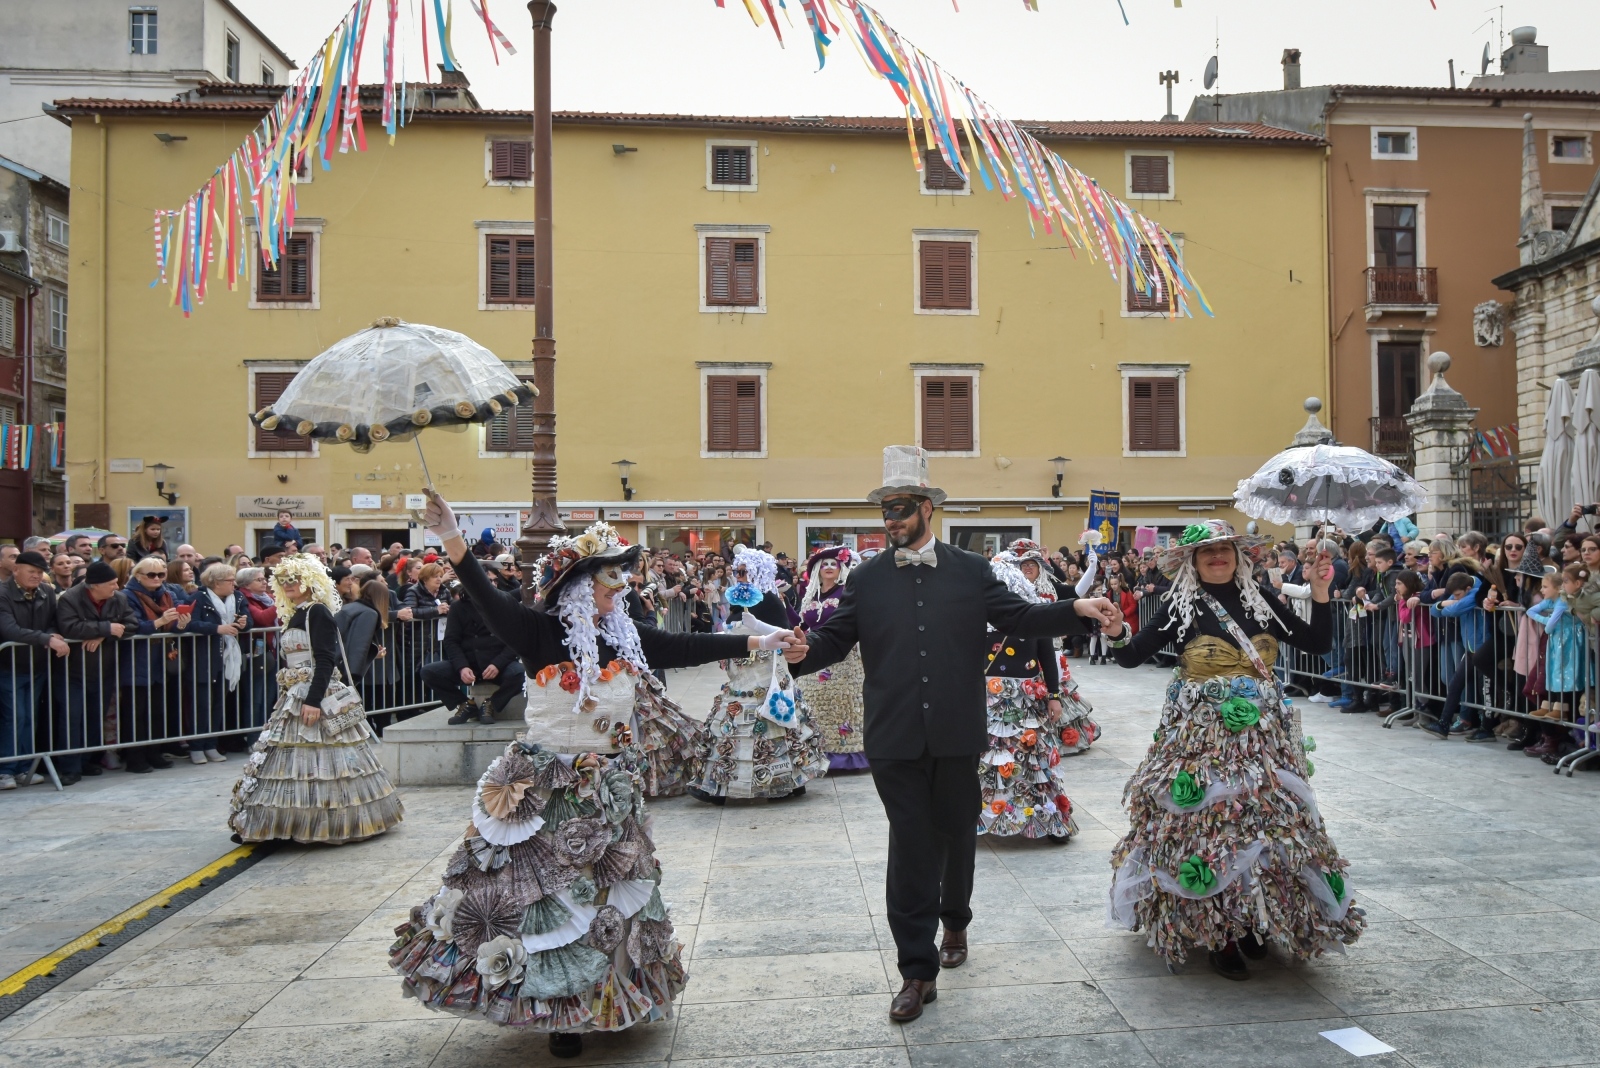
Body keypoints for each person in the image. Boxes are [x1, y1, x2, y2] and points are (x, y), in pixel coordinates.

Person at [392, 493, 797, 1060]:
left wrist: (760, 640)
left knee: (605, 897)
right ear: (581, 588)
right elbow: (483, 598)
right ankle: (561, 1015)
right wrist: (453, 537)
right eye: (611, 585)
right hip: (546, 786)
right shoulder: (535, 631)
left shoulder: (625, 637)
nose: (621, 592)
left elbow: (684, 645)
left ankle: (602, 994)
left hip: (606, 785)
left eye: (622, 584)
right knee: (548, 899)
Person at [780, 447, 1114, 1023]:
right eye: (885, 510)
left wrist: (1075, 607)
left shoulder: (968, 570)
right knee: (909, 843)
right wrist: (802, 653)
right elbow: (836, 640)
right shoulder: (865, 579)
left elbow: (1019, 618)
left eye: (902, 509)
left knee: (958, 831)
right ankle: (916, 969)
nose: (892, 520)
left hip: (958, 732)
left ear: (928, 507)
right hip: (893, 737)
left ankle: (955, 918)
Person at [1103, 520, 1363, 979]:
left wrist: (1321, 591)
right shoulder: (1178, 607)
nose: (1217, 556)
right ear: (1192, 561)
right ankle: (1219, 933)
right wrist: (1117, 629)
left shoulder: (1258, 602)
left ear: (1239, 556)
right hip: (1203, 744)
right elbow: (1130, 655)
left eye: (1225, 548)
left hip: (1264, 743)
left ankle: (1251, 923)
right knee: (1211, 830)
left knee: (1263, 827)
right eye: (1207, 551)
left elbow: (1319, 643)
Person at [228, 554, 403, 844]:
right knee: (290, 761)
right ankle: (281, 825)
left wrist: (312, 700)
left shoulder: (316, 612)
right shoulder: (296, 613)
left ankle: (324, 824)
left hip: (312, 692)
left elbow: (325, 660)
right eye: (283, 580)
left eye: (295, 579)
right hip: (294, 694)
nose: (288, 585)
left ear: (311, 580)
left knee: (326, 761)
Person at [688, 545, 823, 803]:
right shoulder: (738, 598)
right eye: (736, 572)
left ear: (757, 572)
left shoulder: (769, 599)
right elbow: (734, 629)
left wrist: (756, 628)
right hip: (741, 672)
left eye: (744, 572)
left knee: (770, 722)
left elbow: (783, 633)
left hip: (764, 672)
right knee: (735, 722)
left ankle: (785, 780)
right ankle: (722, 783)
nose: (738, 577)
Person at [975, 552, 1079, 842]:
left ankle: (1045, 816)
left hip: (1027, 696)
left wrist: (1055, 695)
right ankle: (982, 815)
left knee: (1033, 757)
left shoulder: (1035, 613)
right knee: (987, 758)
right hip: (986, 696)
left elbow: (1048, 656)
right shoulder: (975, 617)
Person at [1010, 539, 1100, 754]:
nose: (1028, 568)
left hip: (1052, 649)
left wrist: (1092, 569)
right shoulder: (1009, 591)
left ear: (1040, 566)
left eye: (1032, 564)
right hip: (1024, 656)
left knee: (1055, 692)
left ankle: (1059, 737)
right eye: (1023, 565)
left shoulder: (1050, 587)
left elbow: (1077, 593)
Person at [56, 560, 141, 780]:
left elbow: (131, 624)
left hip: (104, 669)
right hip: (72, 671)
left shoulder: (119, 599)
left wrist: (104, 634)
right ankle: (70, 767)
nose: (116, 587)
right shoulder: (70, 598)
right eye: (112, 583)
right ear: (95, 585)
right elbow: (69, 627)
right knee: (72, 720)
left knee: (95, 718)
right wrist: (107, 627)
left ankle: (88, 761)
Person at [0, 552, 68, 789]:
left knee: (30, 717)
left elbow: (52, 621)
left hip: (37, 665)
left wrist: (51, 633)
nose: (36, 576)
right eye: (31, 571)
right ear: (16, 570)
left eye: (40, 572)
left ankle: (24, 767)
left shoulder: (46, 592)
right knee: (14, 717)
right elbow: (10, 630)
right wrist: (46, 638)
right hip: (9, 665)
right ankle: (5, 769)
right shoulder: (3, 593)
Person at [797, 546, 869, 772]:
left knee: (843, 705)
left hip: (843, 657)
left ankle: (846, 756)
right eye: (824, 564)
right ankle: (816, 751)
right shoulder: (809, 594)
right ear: (817, 569)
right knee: (814, 704)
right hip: (813, 654)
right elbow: (803, 623)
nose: (829, 568)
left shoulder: (847, 592)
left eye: (833, 564)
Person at [421, 579, 525, 726]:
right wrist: (462, 666)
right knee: (428, 672)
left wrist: (497, 664)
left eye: (493, 582)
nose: (492, 586)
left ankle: (491, 704)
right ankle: (465, 704)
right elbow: (451, 641)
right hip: (469, 663)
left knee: (520, 674)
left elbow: (515, 641)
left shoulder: (504, 605)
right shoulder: (458, 607)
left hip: (497, 663)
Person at [187, 563, 248, 763]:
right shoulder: (199, 597)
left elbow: (249, 620)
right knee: (201, 704)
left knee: (218, 704)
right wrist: (216, 628)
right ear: (215, 582)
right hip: (204, 656)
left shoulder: (238, 597)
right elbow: (190, 623)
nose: (234, 584)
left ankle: (211, 744)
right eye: (230, 581)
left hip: (228, 656)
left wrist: (244, 624)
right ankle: (196, 746)